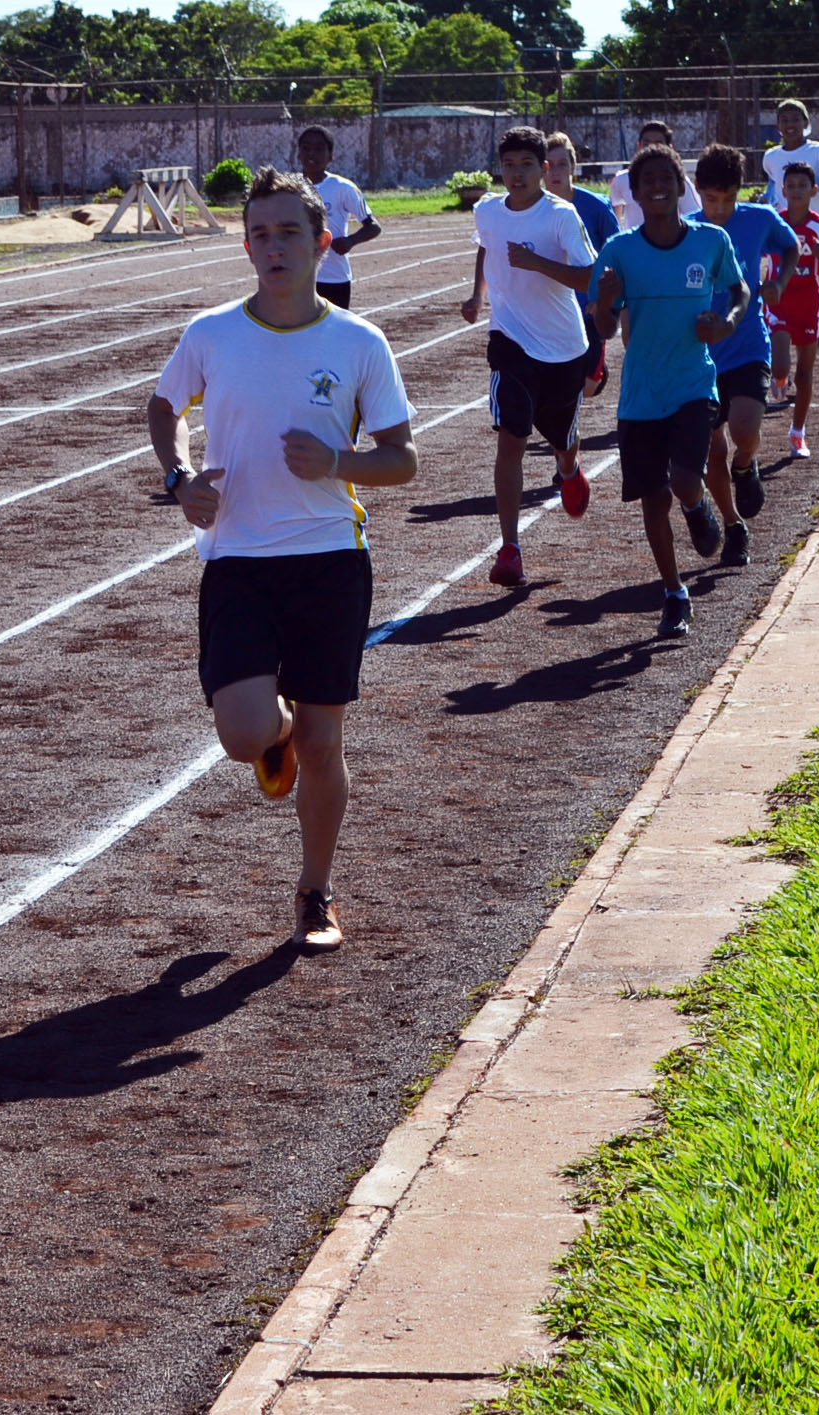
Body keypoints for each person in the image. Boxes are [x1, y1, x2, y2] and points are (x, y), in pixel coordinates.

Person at [147, 167, 418, 952]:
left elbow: (403, 461)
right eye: (259, 234)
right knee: (242, 732)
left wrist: (337, 459)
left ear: (321, 242)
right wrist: (180, 478)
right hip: (237, 561)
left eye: (289, 232)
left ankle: (315, 890)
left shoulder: (359, 342)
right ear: (246, 246)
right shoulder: (211, 334)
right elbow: (164, 408)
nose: (273, 247)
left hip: (330, 560)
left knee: (327, 745)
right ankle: (276, 733)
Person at [588, 143, 746, 640]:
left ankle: (698, 506)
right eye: (646, 180)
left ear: (683, 187)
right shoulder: (619, 252)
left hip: (693, 383)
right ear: (633, 193)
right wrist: (607, 304)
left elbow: (739, 291)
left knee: (682, 480)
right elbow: (606, 330)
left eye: (666, 177)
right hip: (640, 395)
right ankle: (675, 594)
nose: (656, 186)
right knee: (653, 499)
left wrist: (726, 323)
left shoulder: (710, 241)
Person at [461, 126, 600, 584]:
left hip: (563, 349)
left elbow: (590, 278)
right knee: (512, 438)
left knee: (563, 438)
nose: (515, 174)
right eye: (508, 165)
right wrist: (478, 296)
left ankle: (569, 467)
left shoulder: (560, 216)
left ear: (543, 170)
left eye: (525, 165)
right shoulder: (486, 210)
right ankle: (510, 549)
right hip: (510, 341)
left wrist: (538, 263)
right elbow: (486, 248)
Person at [692, 143, 798, 567]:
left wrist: (781, 281)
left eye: (729, 200)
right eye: (711, 200)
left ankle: (747, 464)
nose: (720, 210)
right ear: (697, 192)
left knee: (746, 429)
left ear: (741, 192)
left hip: (749, 343)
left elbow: (788, 248)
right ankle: (734, 526)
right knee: (712, 452)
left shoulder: (759, 220)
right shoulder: (686, 231)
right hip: (700, 357)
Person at [760, 99, 819, 403]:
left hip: (815, 234)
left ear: (806, 123)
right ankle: (781, 367)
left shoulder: (818, 152)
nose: (790, 125)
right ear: (777, 125)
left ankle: (814, 327)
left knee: (810, 291)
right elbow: (775, 189)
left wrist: (812, 179)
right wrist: (764, 202)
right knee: (779, 288)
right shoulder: (771, 158)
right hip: (783, 231)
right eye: (784, 120)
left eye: (795, 120)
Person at [769, 161, 819, 461]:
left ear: (814, 191)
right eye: (791, 186)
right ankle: (778, 378)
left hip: (810, 305)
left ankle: (798, 432)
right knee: (781, 365)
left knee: (805, 372)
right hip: (780, 302)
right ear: (782, 189)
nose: (796, 191)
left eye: (803, 186)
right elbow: (753, 252)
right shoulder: (774, 221)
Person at [544, 131, 619, 402]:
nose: (556, 172)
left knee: (587, 384)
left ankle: (594, 374)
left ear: (573, 167)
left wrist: (603, 300)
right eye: (549, 165)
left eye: (562, 164)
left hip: (588, 308)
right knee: (556, 382)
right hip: (549, 309)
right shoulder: (534, 208)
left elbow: (615, 253)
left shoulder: (596, 207)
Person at [295, 125, 382, 309]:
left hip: (334, 278)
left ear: (330, 155)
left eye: (319, 149)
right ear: (298, 153)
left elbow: (373, 226)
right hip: (298, 276)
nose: (312, 153)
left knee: (333, 333)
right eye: (306, 147)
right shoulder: (288, 188)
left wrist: (350, 241)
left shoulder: (343, 188)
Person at [608, 120, 702, 228]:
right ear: (639, 147)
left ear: (670, 149)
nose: (651, 149)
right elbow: (614, 211)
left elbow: (693, 218)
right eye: (646, 144)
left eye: (658, 144)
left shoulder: (679, 181)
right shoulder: (622, 180)